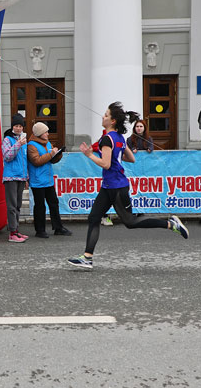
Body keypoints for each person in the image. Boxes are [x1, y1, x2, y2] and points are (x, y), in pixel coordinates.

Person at [67, 103, 189, 270]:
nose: (103, 117)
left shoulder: (107, 139)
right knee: (94, 218)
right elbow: (131, 158)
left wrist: (89, 155)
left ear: (113, 121)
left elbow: (106, 164)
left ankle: (170, 224)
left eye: (106, 115)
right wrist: (115, 158)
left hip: (116, 187)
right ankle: (87, 257)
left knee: (130, 222)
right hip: (109, 186)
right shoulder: (118, 137)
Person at [27, 122, 71, 238]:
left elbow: (51, 160)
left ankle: (58, 227)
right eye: (45, 132)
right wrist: (51, 154)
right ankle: (40, 230)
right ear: (39, 133)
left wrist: (57, 155)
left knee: (54, 203)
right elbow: (36, 161)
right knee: (40, 205)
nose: (48, 134)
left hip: (48, 179)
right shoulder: (31, 145)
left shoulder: (47, 143)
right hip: (37, 181)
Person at [2, 113, 29, 242]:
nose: (18, 128)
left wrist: (26, 177)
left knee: (18, 205)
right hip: (10, 177)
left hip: (21, 177)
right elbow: (7, 156)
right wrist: (18, 144)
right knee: (12, 205)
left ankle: (16, 230)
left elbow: (25, 160)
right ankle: (12, 232)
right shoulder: (7, 139)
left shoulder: (24, 140)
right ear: (12, 127)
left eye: (20, 126)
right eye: (16, 126)